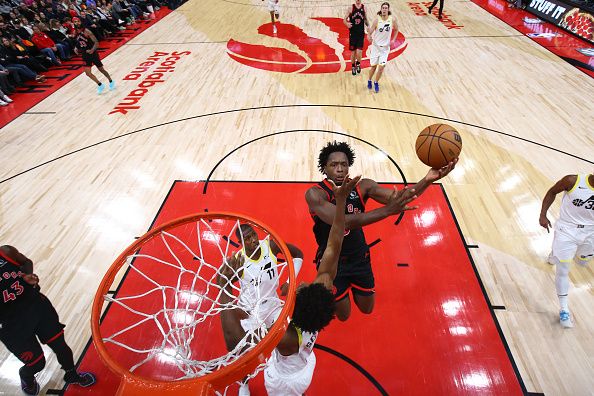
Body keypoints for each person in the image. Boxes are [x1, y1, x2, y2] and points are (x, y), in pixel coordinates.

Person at [219, 175, 385, 395]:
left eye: (301, 289)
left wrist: (223, 285)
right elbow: (334, 245)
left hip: (285, 381)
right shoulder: (315, 308)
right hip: (305, 365)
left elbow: (236, 338)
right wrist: (341, 202)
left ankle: (243, 383)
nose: (302, 284)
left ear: (296, 305)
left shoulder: (284, 339)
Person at [306, 141, 457, 322]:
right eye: (334, 165)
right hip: (332, 264)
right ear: (325, 168)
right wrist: (387, 211)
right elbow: (343, 222)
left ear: (349, 167)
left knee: (367, 308)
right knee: (343, 315)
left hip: (359, 257)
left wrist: (427, 180)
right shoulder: (316, 194)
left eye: (344, 164)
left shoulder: (363, 187)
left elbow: (400, 198)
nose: (339, 169)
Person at [0, 245, 96, 395]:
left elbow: (26, 262)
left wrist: (26, 275)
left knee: (61, 346)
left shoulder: (5, 252)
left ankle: (71, 374)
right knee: (37, 364)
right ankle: (25, 375)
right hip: (12, 326)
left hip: (36, 307)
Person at [224, 224, 303, 396]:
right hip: (251, 310)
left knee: (287, 343)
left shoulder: (270, 246)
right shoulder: (239, 260)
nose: (253, 240)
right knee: (244, 353)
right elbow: (226, 286)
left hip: (273, 305)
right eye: (247, 238)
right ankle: (243, 384)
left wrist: (290, 282)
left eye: (253, 235)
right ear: (241, 243)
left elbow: (298, 254)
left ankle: (288, 379)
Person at [539, 173, 594, 328]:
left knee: (582, 263)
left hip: (590, 233)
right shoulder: (573, 181)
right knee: (563, 269)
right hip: (567, 230)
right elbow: (552, 192)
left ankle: (555, 253)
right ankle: (564, 309)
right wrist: (543, 215)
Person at [73, 17, 115, 94]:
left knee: (101, 70)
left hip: (93, 53)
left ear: (80, 22)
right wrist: (76, 47)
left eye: (78, 21)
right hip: (85, 54)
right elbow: (78, 41)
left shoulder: (87, 31)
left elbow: (96, 43)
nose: (77, 23)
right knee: (87, 73)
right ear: (74, 23)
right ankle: (100, 84)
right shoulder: (75, 32)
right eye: (75, 22)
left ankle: (111, 81)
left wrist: (92, 50)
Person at [366, 2, 397, 93]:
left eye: (386, 8)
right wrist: (368, 35)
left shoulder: (392, 20)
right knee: (373, 67)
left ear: (388, 10)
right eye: (383, 8)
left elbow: (396, 30)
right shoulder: (377, 20)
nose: (384, 9)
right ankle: (369, 80)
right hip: (376, 47)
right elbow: (371, 31)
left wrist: (393, 39)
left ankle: (376, 82)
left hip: (385, 48)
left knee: (381, 67)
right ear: (381, 9)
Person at [344, 0, 369, 76]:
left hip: (361, 34)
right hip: (353, 34)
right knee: (353, 52)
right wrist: (346, 24)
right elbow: (344, 20)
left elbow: (365, 19)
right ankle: (353, 66)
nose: (358, 0)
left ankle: (358, 64)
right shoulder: (351, 8)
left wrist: (368, 25)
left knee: (359, 52)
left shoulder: (364, 8)